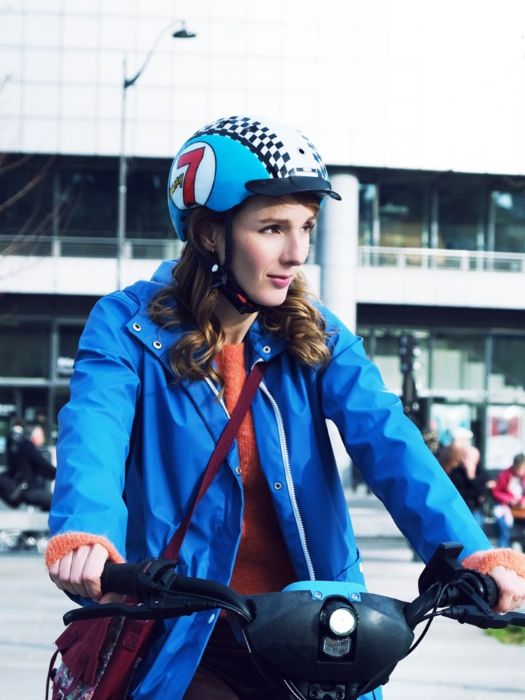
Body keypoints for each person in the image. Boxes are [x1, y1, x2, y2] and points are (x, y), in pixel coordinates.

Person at [46, 115, 525, 700]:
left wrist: (472, 553)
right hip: (184, 633)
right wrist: (87, 534)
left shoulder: (316, 332)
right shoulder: (126, 327)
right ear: (210, 234)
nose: (297, 253)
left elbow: (389, 439)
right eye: (272, 228)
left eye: (306, 227)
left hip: (317, 636)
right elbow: (93, 433)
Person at [438, 427, 488, 527]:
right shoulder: (455, 458)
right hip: (461, 505)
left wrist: (471, 477)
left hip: (471, 507)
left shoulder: (480, 473)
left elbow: (481, 492)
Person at [0, 421, 56, 510]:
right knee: (57, 501)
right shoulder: (28, 447)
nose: (43, 438)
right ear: (34, 436)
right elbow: (42, 464)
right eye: (41, 435)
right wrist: (59, 474)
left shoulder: (21, 447)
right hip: (28, 490)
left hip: (24, 489)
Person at [491, 453, 525, 548]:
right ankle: (503, 548)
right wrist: (509, 499)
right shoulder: (504, 475)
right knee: (502, 525)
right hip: (505, 507)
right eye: (518, 469)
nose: (520, 472)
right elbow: (496, 492)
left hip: (520, 509)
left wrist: (522, 500)